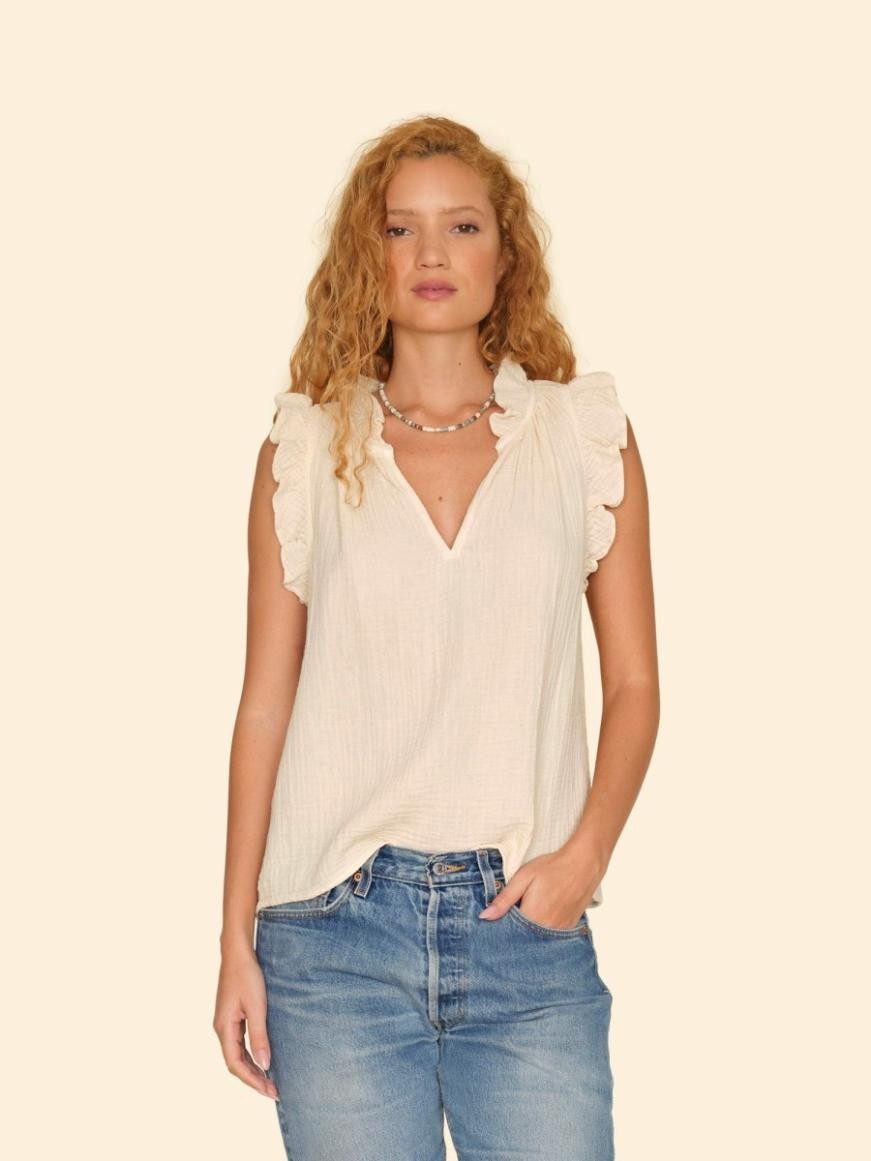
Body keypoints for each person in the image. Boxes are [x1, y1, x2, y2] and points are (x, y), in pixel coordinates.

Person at [213, 114, 659, 1161]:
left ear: (506, 255)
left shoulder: (581, 438)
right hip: (331, 937)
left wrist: (585, 854)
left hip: (528, 933)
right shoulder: (306, 447)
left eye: (461, 226)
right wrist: (233, 937)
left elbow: (634, 684)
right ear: (366, 256)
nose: (429, 252)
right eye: (398, 228)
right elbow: (265, 705)